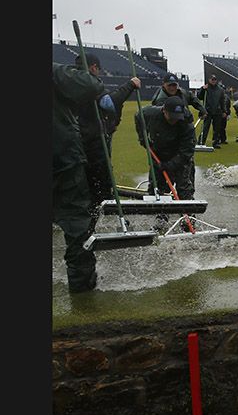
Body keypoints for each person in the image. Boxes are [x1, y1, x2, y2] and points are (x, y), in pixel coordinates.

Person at [53, 60, 105, 292]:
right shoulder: (55, 71)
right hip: (61, 157)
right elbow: (91, 86)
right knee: (75, 221)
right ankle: (82, 284)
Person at [74, 53, 142, 213]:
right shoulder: (89, 82)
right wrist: (130, 85)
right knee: (100, 185)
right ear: (93, 67)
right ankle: (99, 220)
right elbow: (108, 103)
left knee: (78, 184)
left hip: (71, 142)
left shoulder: (68, 81)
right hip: (93, 143)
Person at [134, 96, 196, 202]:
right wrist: (142, 138)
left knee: (184, 188)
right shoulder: (150, 113)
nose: (174, 121)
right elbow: (138, 116)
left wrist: (169, 165)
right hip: (158, 153)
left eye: (177, 118)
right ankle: (161, 215)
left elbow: (186, 153)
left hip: (179, 155)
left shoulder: (186, 124)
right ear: (164, 111)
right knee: (156, 188)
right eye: (171, 117)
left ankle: (188, 214)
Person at [197, 74, 229, 148]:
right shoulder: (206, 88)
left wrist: (224, 111)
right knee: (205, 127)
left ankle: (215, 142)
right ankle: (201, 141)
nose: (213, 81)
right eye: (212, 79)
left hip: (217, 111)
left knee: (217, 129)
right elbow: (199, 97)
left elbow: (222, 101)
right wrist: (202, 89)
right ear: (209, 80)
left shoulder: (220, 90)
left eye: (214, 79)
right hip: (207, 111)